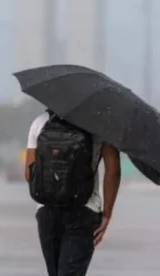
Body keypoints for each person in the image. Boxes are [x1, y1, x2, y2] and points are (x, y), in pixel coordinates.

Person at [25, 110, 121, 276]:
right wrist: (107, 214)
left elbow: (29, 174)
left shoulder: (40, 122)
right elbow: (113, 172)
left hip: (47, 210)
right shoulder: (101, 126)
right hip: (84, 209)